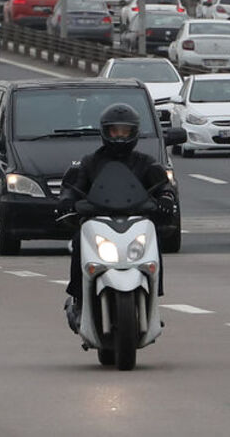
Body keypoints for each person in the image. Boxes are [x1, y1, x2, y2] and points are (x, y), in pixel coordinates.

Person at [58, 103, 176, 332]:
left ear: (134, 133)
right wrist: (67, 200)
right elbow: (74, 186)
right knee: (79, 241)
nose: (120, 136)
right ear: (105, 132)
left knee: (153, 244)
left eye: (125, 131)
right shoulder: (90, 161)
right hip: (99, 220)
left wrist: (166, 198)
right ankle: (79, 299)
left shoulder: (146, 162)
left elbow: (164, 185)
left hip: (135, 221)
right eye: (115, 131)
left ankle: (154, 296)